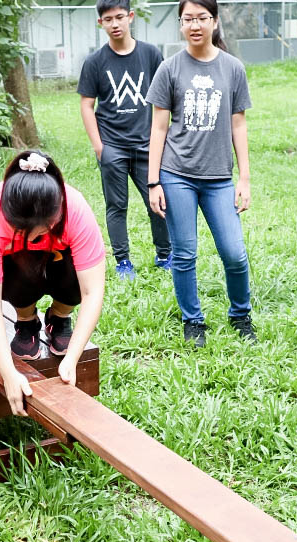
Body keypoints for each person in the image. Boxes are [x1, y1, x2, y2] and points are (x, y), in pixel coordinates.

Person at [146, 0, 255, 348]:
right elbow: (159, 128)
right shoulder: (170, 68)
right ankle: (193, 321)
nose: (195, 25)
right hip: (177, 174)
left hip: (219, 178)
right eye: (187, 19)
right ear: (180, 24)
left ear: (215, 21)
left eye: (201, 18)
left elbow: (238, 123)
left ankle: (240, 314)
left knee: (234, 252)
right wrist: (153, 181)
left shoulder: (232, 68)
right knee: (184, 253)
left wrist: (244, 178)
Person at [0, 151, 106, 415]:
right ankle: (26, 320)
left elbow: (92, 291)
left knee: (76, 278)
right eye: (22, 230)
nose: (34, 236)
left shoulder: (74, 209)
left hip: (60, 268)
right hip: (18, 276)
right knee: (21, 267)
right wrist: (8, 372)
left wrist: (72, 359)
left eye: (44, 229)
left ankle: (59, 317)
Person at [78, 0, 171, 281]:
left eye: (120, 17)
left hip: (147, 145)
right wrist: (99, 146)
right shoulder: (95, 62)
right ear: (100, 23)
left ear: (130, 17)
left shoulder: (151, 55)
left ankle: (165, 255)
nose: (115, 24)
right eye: (108, 19)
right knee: (116, 206)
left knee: (157, 201)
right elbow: (86, 105)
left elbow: (165, 99)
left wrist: (162, 140)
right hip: (112, 147)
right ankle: (123, 261)